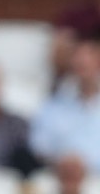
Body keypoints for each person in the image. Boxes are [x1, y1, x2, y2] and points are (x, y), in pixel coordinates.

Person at [29, 33, 100, 173]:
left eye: (89, 57)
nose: (83, 62)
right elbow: (39, 146)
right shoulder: (55, 104)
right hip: (62, 177)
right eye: (78, 58)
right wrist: (64, 162)